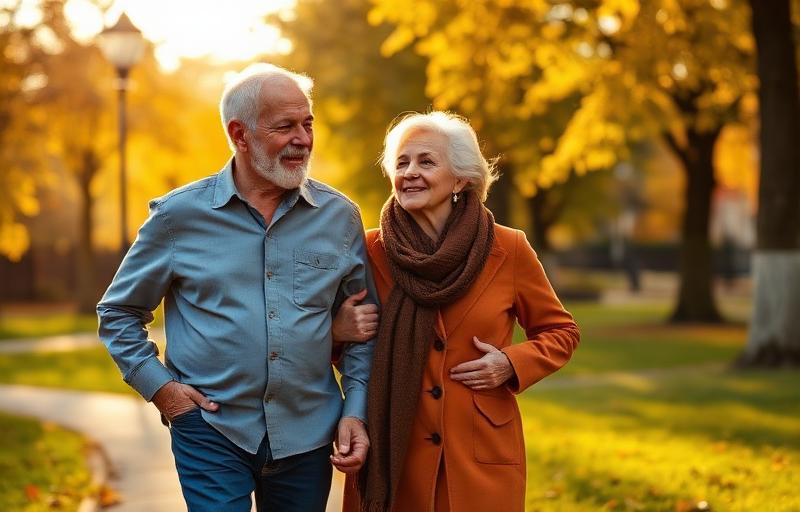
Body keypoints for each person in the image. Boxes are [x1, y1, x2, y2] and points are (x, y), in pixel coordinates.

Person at [97, 63, 378, 512]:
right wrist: (164, 391)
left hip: (309, 434)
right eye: (285, 126)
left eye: (307, 124)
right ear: (240, 134)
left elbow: (366, 330)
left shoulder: (340, 217)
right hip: (210, 430)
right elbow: (118, 314)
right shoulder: (177, 217)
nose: (303, 138)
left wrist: (355, 409)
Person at [341, 112, 580, 512]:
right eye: (402, 162)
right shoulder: (367, 250)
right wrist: (337, 331)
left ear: (461, 179)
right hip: (394, 452)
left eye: (426, 162)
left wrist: (510, 362)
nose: (410, 172)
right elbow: (350, 351)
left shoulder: (509, 248)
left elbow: (561, 332)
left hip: (480, 455)